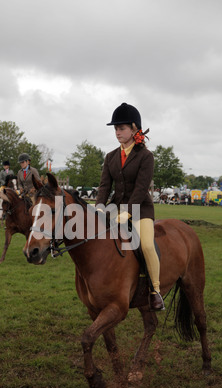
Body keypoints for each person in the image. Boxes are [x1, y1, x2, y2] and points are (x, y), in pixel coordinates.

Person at [95, 102, 164, 311]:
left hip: (141, 210)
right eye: (115, 129)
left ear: (135, 128)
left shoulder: (146, 157)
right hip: (115, 208)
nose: (117, 132)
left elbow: (141, 189)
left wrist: (127, 213)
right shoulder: (110, 157)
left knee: (147, 245)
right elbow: (105, 186)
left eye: (121, 128)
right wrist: (99, 206)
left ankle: (155, 291)